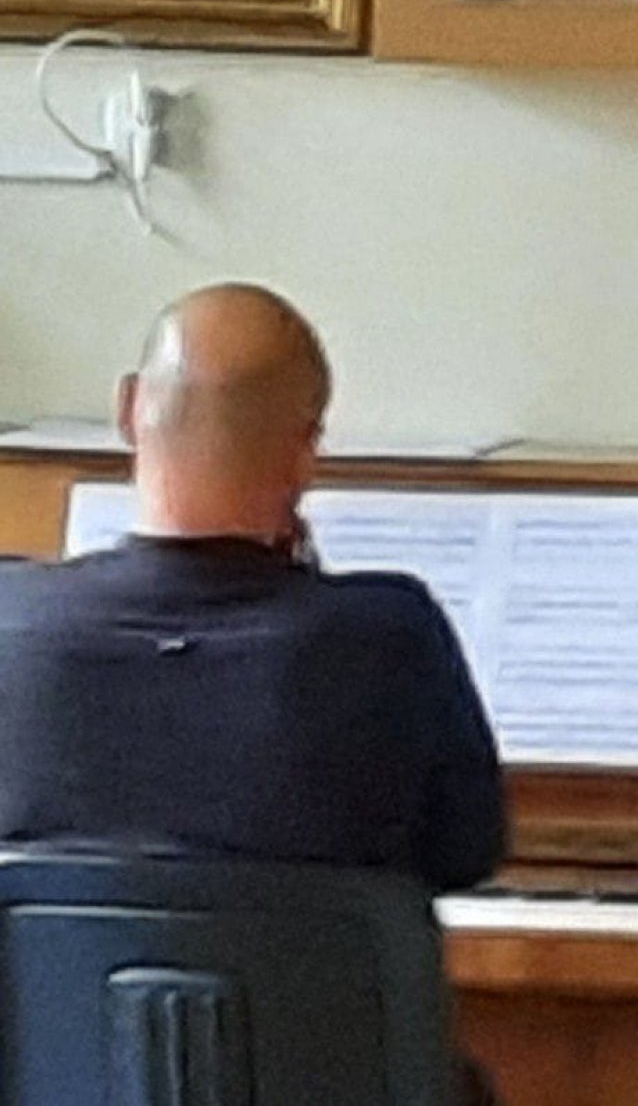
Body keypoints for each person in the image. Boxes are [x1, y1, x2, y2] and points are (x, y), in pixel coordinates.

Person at [0, 282, 505, 893]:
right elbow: (467, 853)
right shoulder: (391, 632)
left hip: (61, 963)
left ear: (128, 410)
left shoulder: (10, 612)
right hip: (316, 961)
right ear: (306, 454)